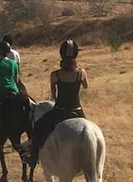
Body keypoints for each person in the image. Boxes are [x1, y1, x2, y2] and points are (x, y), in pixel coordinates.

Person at [25, 39, 89, 168]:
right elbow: (86, 86)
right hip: (77, 110)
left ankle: (33, 158)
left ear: (61, 55)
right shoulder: (81, 73)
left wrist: (56, 98)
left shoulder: (55, 75)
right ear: (76, 55)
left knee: (38, 127)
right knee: (88, 132)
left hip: (60, 110)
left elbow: (54, 93)